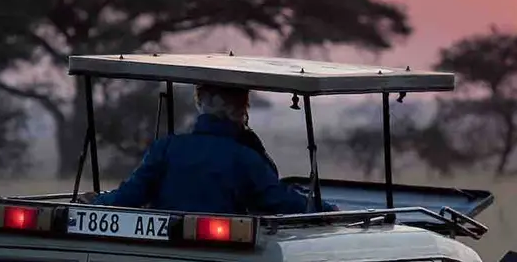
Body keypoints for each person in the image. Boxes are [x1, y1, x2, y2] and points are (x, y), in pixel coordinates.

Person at [82, 84, 334, 216]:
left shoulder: (166, 148)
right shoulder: (245, 157)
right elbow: (276, 199)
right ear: (242, 107)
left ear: (200, 104)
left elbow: (131, 195)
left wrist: (97, 202)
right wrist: (324, 210)